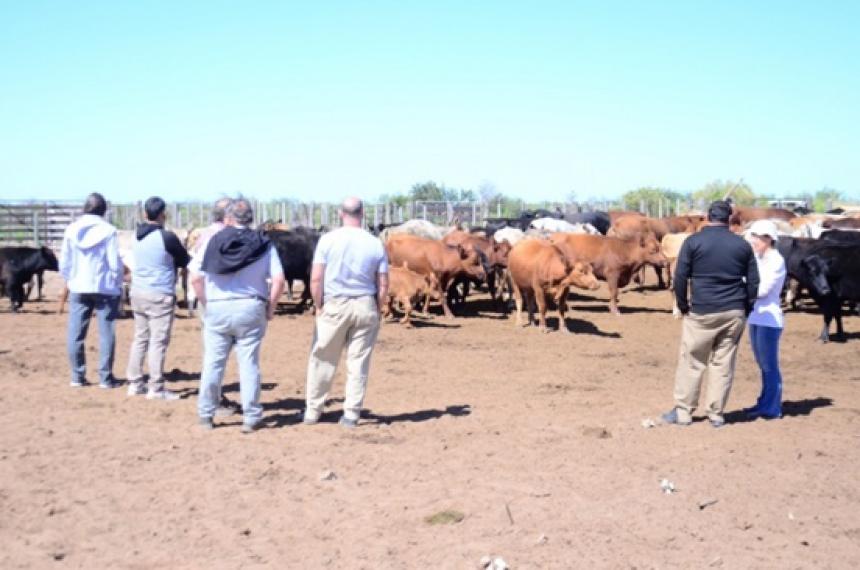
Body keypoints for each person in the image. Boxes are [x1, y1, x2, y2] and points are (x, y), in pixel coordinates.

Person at [662, 200, 760, 428]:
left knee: (692, 361)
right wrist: (746, 306)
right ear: (729, 218)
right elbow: (754, 280)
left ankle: (684, 412)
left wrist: (682, 304)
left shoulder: (693, 242)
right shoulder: (742, 245)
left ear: (708, 216)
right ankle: (716, 414)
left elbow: (680, 277)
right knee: (723, 363)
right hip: (733, 310)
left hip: (702, 310)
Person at [190, 198, 285, 433]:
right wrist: (270, 307)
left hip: (218, 307)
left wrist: (206, 303)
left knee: (213, 362)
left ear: (228, 218)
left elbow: (195, 278)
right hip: (250, 308)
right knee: (249, 363)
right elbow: (279, 280)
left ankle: (205, 415)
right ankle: (251, 416)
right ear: (250, 218)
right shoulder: (264, 243)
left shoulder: (212, 241)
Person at [303, 197, 389, 428]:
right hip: (365, 304)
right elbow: (382, 283)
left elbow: (316, 278)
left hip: (335, 304)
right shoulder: (375, 243)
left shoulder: (327, 240)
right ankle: (351, 413)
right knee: (358, 361)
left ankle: (313, 410)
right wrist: (378, 308)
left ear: (341, 213)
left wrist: (318, 304)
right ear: (362, 214)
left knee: (323, 357)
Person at [125, 196, 191, 400]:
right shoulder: (167, 237)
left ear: (145, 214)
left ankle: (135, 382)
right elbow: (184, 260)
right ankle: (156, 387)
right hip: (159, 294)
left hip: (138, 292)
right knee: (158, 341)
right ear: (163, 214)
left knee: (140, 338)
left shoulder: (136, 235)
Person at [60, 193, 124, 389]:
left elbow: (64, 261)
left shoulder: (71, 230)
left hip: (79, 286)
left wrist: (70, 279)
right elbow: (114, 262)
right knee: (106, 333)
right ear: (103, 210)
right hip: (104, 287)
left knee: (75, 332)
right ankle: (105, 377)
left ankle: (77, 376)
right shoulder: (109, 231)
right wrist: (118, 281)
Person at [743, 220, 787, 420]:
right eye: (753, 236)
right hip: (756, 316)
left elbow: (763, 290)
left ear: (769, 239)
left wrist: (739, 289)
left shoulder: (775, 260)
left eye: (758, 237)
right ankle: (765, 403)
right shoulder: (758, 258)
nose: (753, 240)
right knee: (763, 364)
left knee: (769, 366)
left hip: (769, 319)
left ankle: (772, 407)